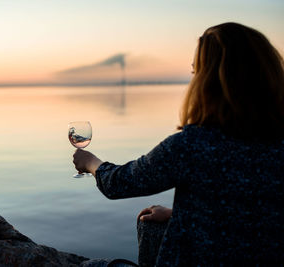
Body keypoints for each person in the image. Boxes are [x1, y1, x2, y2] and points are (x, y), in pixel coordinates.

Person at [73, 22, 284, 266]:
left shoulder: (193, 145)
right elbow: (251, 208)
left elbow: (121, 183)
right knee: (154, 225)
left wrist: (91, 163)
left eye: (196, 72)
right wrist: (180, 215)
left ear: (209, 81)